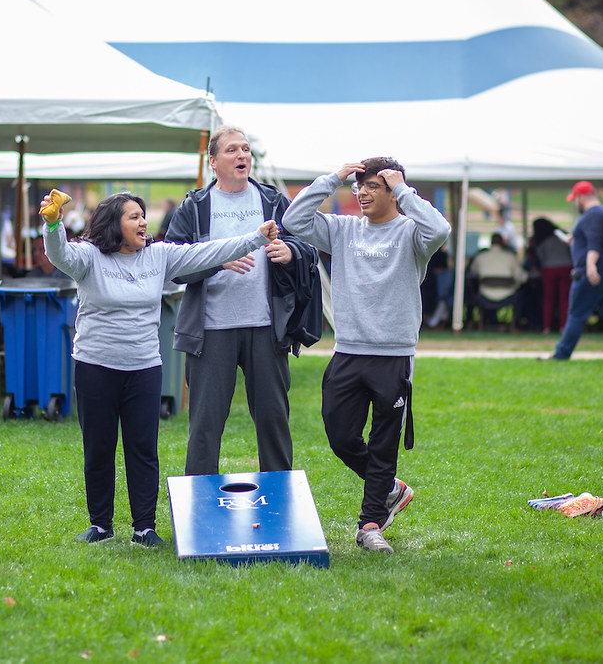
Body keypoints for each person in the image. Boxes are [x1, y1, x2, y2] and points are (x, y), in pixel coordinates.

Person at [41, 189, 279, 547]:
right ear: (113, 224)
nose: (142, 222)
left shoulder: (159, 256)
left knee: (143, 449)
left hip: (144, 367)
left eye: (142, 216)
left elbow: (208, 252)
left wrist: (256, 238)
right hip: (95, 366)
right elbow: (58, 253)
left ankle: (144, 527)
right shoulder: (89, 257)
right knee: (99, 447)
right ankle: (101, 525)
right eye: (133, 217)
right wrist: (53, 223)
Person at [282, 157, 451, 554]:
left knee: (383, 443)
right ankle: (390, 488)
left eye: (374, 185)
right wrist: (335, 178)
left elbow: (440, 228)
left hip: (393, 356)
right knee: (339, 435)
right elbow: (294, 218)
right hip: (348, 351)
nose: (362, 193)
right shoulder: (341, 230)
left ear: (393, 189)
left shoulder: (413, 234)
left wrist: (405, 189)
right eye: (359, 186)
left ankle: (370, 524)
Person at [165, 126, 297, 477]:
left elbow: (304, 245)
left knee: (274, 422)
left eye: (246, 149)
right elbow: (174, 265)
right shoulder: (195, 207)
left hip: (266, 327)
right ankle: (198, 509)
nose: (242, 156)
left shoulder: (272, 201)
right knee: (205, 427)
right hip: (210, 330)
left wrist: (290, 250)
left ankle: (281, 500)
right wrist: (216, 262)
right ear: (213, 161)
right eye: (232, 150)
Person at [549, 181, 603, 361]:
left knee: (576, 314)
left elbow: (594, 244)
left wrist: (590, 267)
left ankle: (561, 354)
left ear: (582, 197)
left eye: (575, 199)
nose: (576, 203)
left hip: (593, 273)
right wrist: (573, 240)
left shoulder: (592, 216)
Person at [468, 233, 527, 321]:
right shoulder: (510, 257)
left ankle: (490, 321)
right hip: (508, 296)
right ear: (503, 243)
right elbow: (522, 277)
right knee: (523, 294)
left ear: (491, 242)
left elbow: (473, 273)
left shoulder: (480, 257)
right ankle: (516, 322)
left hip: (485, 296)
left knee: (473, 292)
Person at [534, 217, 572, 333]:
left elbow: (540, 257)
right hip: (565, 266)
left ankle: (546, 327)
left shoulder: (543, 242)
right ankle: (563, 326)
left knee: (548, 298)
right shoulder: (561, 239)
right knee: (564, 298)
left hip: (549, 268)